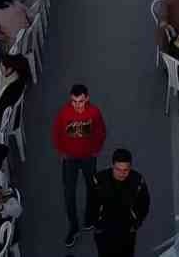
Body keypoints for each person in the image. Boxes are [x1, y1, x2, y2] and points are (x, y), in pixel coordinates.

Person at [53, 84, 108, 248]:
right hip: (69, 159)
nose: (77, 105)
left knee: (92, 187)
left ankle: (90, 218)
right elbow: (56, 133)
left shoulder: (94, 113)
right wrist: (62, 152)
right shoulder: (64, 113)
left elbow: (101, 131)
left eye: (81, 101)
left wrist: (96, 150)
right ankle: (74, 227)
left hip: (88, 158)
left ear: (87, 99)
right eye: (74, 101)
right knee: (69, 194)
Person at [89, 149, 150, 257]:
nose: (122, 173)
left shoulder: (138, 181)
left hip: (127, 231)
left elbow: (144, 203)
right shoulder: (99, 179)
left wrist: (136, 222)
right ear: (112, 165)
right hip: (104, 230)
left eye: (126, 170)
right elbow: (92, 203)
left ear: (130, 167)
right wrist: (97, 223)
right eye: (118, 169)